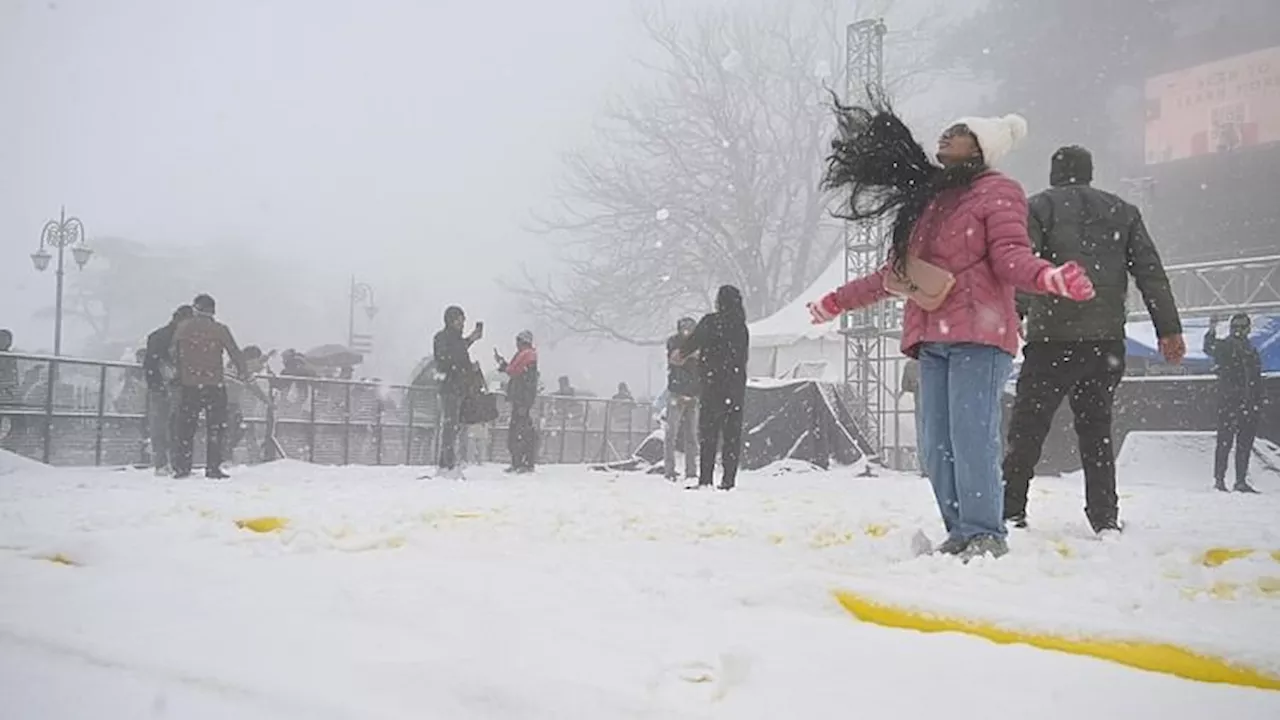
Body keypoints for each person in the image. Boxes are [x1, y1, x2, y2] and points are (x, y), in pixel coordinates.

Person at [807, 97, 1095, 560]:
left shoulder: (998, 191)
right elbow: (897, 274)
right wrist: (835, 302)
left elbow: (1010, 256)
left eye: (959, 131)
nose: (946, 135)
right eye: (946, 130)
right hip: (930, 338)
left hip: (980, 337)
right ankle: (960, 530)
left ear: (982, 146)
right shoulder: (930, 199)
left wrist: (1048, 277)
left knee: (971, 435)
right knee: (935, 445)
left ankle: (985, 533)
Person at [1002, 146, 1185, 533]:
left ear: (1054, 173)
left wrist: (1012, 313)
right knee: (1096, 430)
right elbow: (1151, 274)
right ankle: (1104, 517)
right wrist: (1168, 329)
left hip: (1051, 339)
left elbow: (1024, 264)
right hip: (1104, 343)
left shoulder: (1038, 208)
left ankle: (1011, 508)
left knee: (1028, 428)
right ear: (1089, 172)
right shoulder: (1123, 212)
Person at [677, 285, 750, 491]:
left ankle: (706, 479)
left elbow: (692, 343)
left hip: (712, 386)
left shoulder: (710, 322)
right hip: (735, 390)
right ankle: (728, 480)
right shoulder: (741, 327)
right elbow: (741, 358)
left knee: (708, 435)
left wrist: (682, 353)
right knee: (731, 437)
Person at [170, 294, 247, 479]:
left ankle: (182, 467)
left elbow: (173, 352)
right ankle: (213, 467)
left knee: (186, 427)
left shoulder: (183, 328)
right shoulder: (220, 330)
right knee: (216, 427)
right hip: (214, 383)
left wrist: (179, 371)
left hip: (189, 384)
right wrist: (242, 370)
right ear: (212, 310)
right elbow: (234, 352)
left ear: (196, 308)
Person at [1205, 314, 1263, 493]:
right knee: (1225, 441)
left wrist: (1255, 400)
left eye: (1241, 326)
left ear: (1248, 329)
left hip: (1246, 402)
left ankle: (1239, 480)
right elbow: (1209, 347)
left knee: (1243, 443)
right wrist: (1212, 330)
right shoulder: (1226, 346)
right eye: (1235, 326)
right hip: (1230, 402)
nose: (1238, 330)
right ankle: (1220, 480)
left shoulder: (1250, 350)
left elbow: (1255, 377)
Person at [142, 305, 194, 475]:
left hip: (161, 386)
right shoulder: (185, 338)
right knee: (174, 426)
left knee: (160, 424)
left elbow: (150, 363)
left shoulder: (158, 336)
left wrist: (155, 383)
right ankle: (173, 462)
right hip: (177, 386)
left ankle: (162, 463)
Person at [432, 305, 482, 477]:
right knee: (449, 425)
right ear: (451, 320)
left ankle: (448, 462)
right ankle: (447, 463)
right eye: (460, 320)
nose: (462, 324)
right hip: (450, 387)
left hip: (459, 387)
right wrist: (464, 365)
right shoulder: (442, 338)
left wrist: (471, 340)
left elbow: (457, 353)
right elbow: (447, 359)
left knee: (454, 426)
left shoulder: (455, 340)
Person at [495, 330, 539, 473]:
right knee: (519, 432)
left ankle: (523, 462)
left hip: (521, 402)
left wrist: (526, 403)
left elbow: (528, 383)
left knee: (520, 433)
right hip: (519, 401)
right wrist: (502, 363)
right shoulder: (524, 359)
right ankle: (520, 462)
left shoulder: (528, 359)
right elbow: (512, 370)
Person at [664, 317, 701, 483]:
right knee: (671, 434)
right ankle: (669, 470)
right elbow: (675, 358)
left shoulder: (700, 343)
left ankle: (691, 471)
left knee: (691, 436)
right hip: (677, 393)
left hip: (693, 394)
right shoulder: (673, 341)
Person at [901, 358, 926, 477]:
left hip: (920, 406)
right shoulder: (938, 360)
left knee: (922, 436)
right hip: (939, 406)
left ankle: (925, 468)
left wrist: (916, 384)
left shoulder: (910, 365)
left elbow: (905, 386)